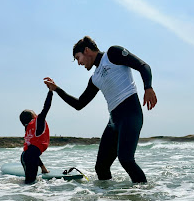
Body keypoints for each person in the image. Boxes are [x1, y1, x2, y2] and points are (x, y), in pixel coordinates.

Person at [44, 36, 157, 183]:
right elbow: (79, 104)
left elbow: (143, 66)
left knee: (126, 160)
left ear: (86, 50)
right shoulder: (95, 78)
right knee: (101, 167)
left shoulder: (113, 54)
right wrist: (57, 89)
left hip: (130, 114)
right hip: (114, 121)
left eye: (78, 58)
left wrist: (148, 87)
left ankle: (144, 198)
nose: (79, 63)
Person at [19, 85, 54, 184]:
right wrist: (50, 91)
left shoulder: (28, 129)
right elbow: (46, 107)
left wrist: (43, 168)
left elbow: (33, 152)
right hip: (30, 156)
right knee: (30, 183)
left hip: (25, 156)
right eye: (34, 112)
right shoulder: (38, 121)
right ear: (32, 116)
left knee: (29, 182)